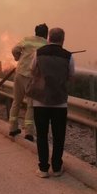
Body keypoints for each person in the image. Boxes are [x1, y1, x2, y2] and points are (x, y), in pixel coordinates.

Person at [26, 27, 75, 178]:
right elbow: (71, 76)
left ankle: (43, 169)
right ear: (63, 39)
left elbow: (32, 69)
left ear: (48, 38)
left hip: (40, 101)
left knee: (41, 135)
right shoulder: (68, 56)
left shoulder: (39, 53)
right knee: (58, 135)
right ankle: (57, 167)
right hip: (59, 102)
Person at [9, 23, 48, 141]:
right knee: (30, 105)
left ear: (35, 32)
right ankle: (29, 132)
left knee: (16, 101)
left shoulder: (27, 39)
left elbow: (14, 49)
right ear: (46, 34)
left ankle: (12, 128)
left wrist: (17, 58)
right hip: (32, 78)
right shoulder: (46, 44)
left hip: (19, 74)